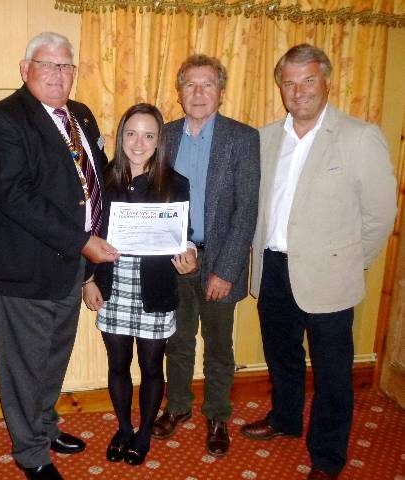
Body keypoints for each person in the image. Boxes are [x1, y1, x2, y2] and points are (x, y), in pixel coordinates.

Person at [241, 44, 396, 480]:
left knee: (331, 373)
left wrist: (350, 262)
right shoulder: (266, 137)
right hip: (273, 269)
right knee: (282, 355)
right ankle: (285, 419)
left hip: (330, 275)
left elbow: (381, 215)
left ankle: (327, 457)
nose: (299, 90)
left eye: (308, 79)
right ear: (281, 88)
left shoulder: (358, 136)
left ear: (327, 80)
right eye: (289, 82)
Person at [0, 32, 118, 480]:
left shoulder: (80, 115)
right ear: (26, 69)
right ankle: (30, 452)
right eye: (48, 65)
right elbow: (14, 195)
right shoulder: (3, 119)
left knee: (53, 357)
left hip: (72, 267)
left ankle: (43, 424)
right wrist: (82, 242)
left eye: (66, 67)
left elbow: (92, 185)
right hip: (26, 267)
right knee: (24, 365)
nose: (58, 75)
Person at [152, 54, 260, 457]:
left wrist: (226, 270)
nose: (198, 93)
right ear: (179, 92)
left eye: (208, 85)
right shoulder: (164, 135)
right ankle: (177, 407)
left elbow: (246, 210)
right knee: (177, 342)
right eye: (190, 85)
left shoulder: (243, 138)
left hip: (220, 262)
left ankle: (217, 415)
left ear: (221, 91)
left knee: (218, 347)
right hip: (174, 261)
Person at [82, 103, 196, 466]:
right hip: (112, 284)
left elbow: (184, 236)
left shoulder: (176, 183)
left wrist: (189, 255)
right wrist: (87, 279)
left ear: (159, 141)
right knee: (117, 364)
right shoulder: (104, 180)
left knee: (150, 367)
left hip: (155, 288)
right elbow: (89, 231)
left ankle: (144, 431)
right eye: (131, 133)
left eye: (148, 135)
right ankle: (123, 427)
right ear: (121, 136)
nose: (138, 142)